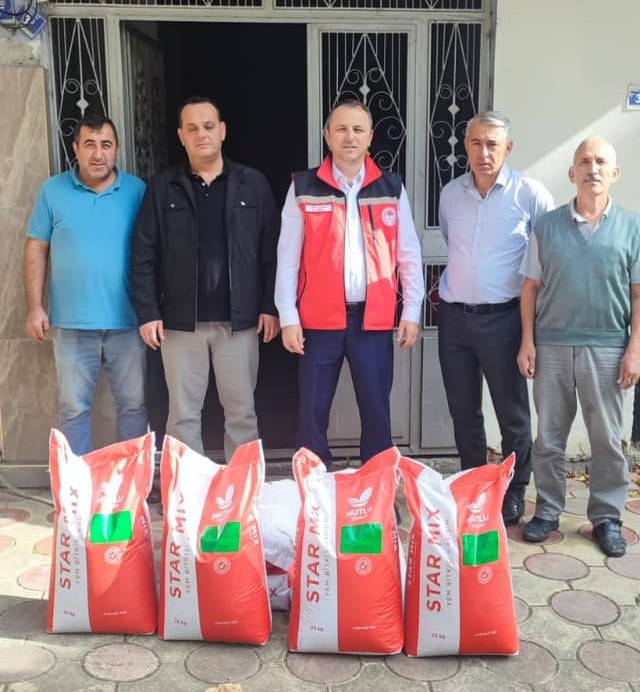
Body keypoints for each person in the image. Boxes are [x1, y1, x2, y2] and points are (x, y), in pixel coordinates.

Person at [275, 98, 424, 468]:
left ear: (370, 137)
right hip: (318, 322)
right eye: (341, 128)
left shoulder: (390, 187)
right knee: (312, 412)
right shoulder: (304, 187)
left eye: (358, 129)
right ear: (327, 135)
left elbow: (408, 252)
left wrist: (412, 310)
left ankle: (377, 484)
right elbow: (287, 257)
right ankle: (314, 487)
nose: (349, 137)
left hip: (372, 321)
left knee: (376, 411)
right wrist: (288, 316)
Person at [130, 95, 279, 459]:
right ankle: (188, 489)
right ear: (181, 136)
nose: (202, 135)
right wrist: (148, 312)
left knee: (242, 413)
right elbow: (144, 254)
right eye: (192, 128)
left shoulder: (252, 184)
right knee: (182, 416)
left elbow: (273, 252)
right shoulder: (162, 187)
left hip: (239, 322)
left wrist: (270, 306)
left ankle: (242, 487)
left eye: (209, 126)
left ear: (223, 131)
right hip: (180, 324)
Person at [518, 136, 640, 557]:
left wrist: (635, 349)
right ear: (572, 173)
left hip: (609, 348)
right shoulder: (547, 226)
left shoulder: (633, 227)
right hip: (551, 346)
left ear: (615, 173)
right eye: (584, 161)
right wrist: (527, 341)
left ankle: (607, 517)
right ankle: (548, 510)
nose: (593, 168)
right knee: (548, 438)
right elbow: (530, 288)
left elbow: (638, 295)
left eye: (601, 161)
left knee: (607, 440)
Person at [437, 111, 554, 526]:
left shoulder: (530, 194)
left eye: (492, 144)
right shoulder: (450, 194)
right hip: (454, 319)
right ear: (465, 146)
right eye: (476, 143)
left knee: (511, 413)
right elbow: (450, 241)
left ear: (508, 148)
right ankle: (473, 484)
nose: (483, 152)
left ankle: (514, 490)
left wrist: (531, 333)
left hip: (505, 320)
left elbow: (545, 260)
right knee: (463, 409)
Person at [24, 113, 148, 455]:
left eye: (106, 145)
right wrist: (35, 307)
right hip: (71, 325)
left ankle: (131, 480)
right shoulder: (52, 191)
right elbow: (36, 247)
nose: (98, 154)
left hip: (128, 323)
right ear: (75, 148)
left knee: (134, 407)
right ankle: (78, 481)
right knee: (74, 410)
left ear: (117, 149)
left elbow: (154, 251)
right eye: (89, 145)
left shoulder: (137, 191)